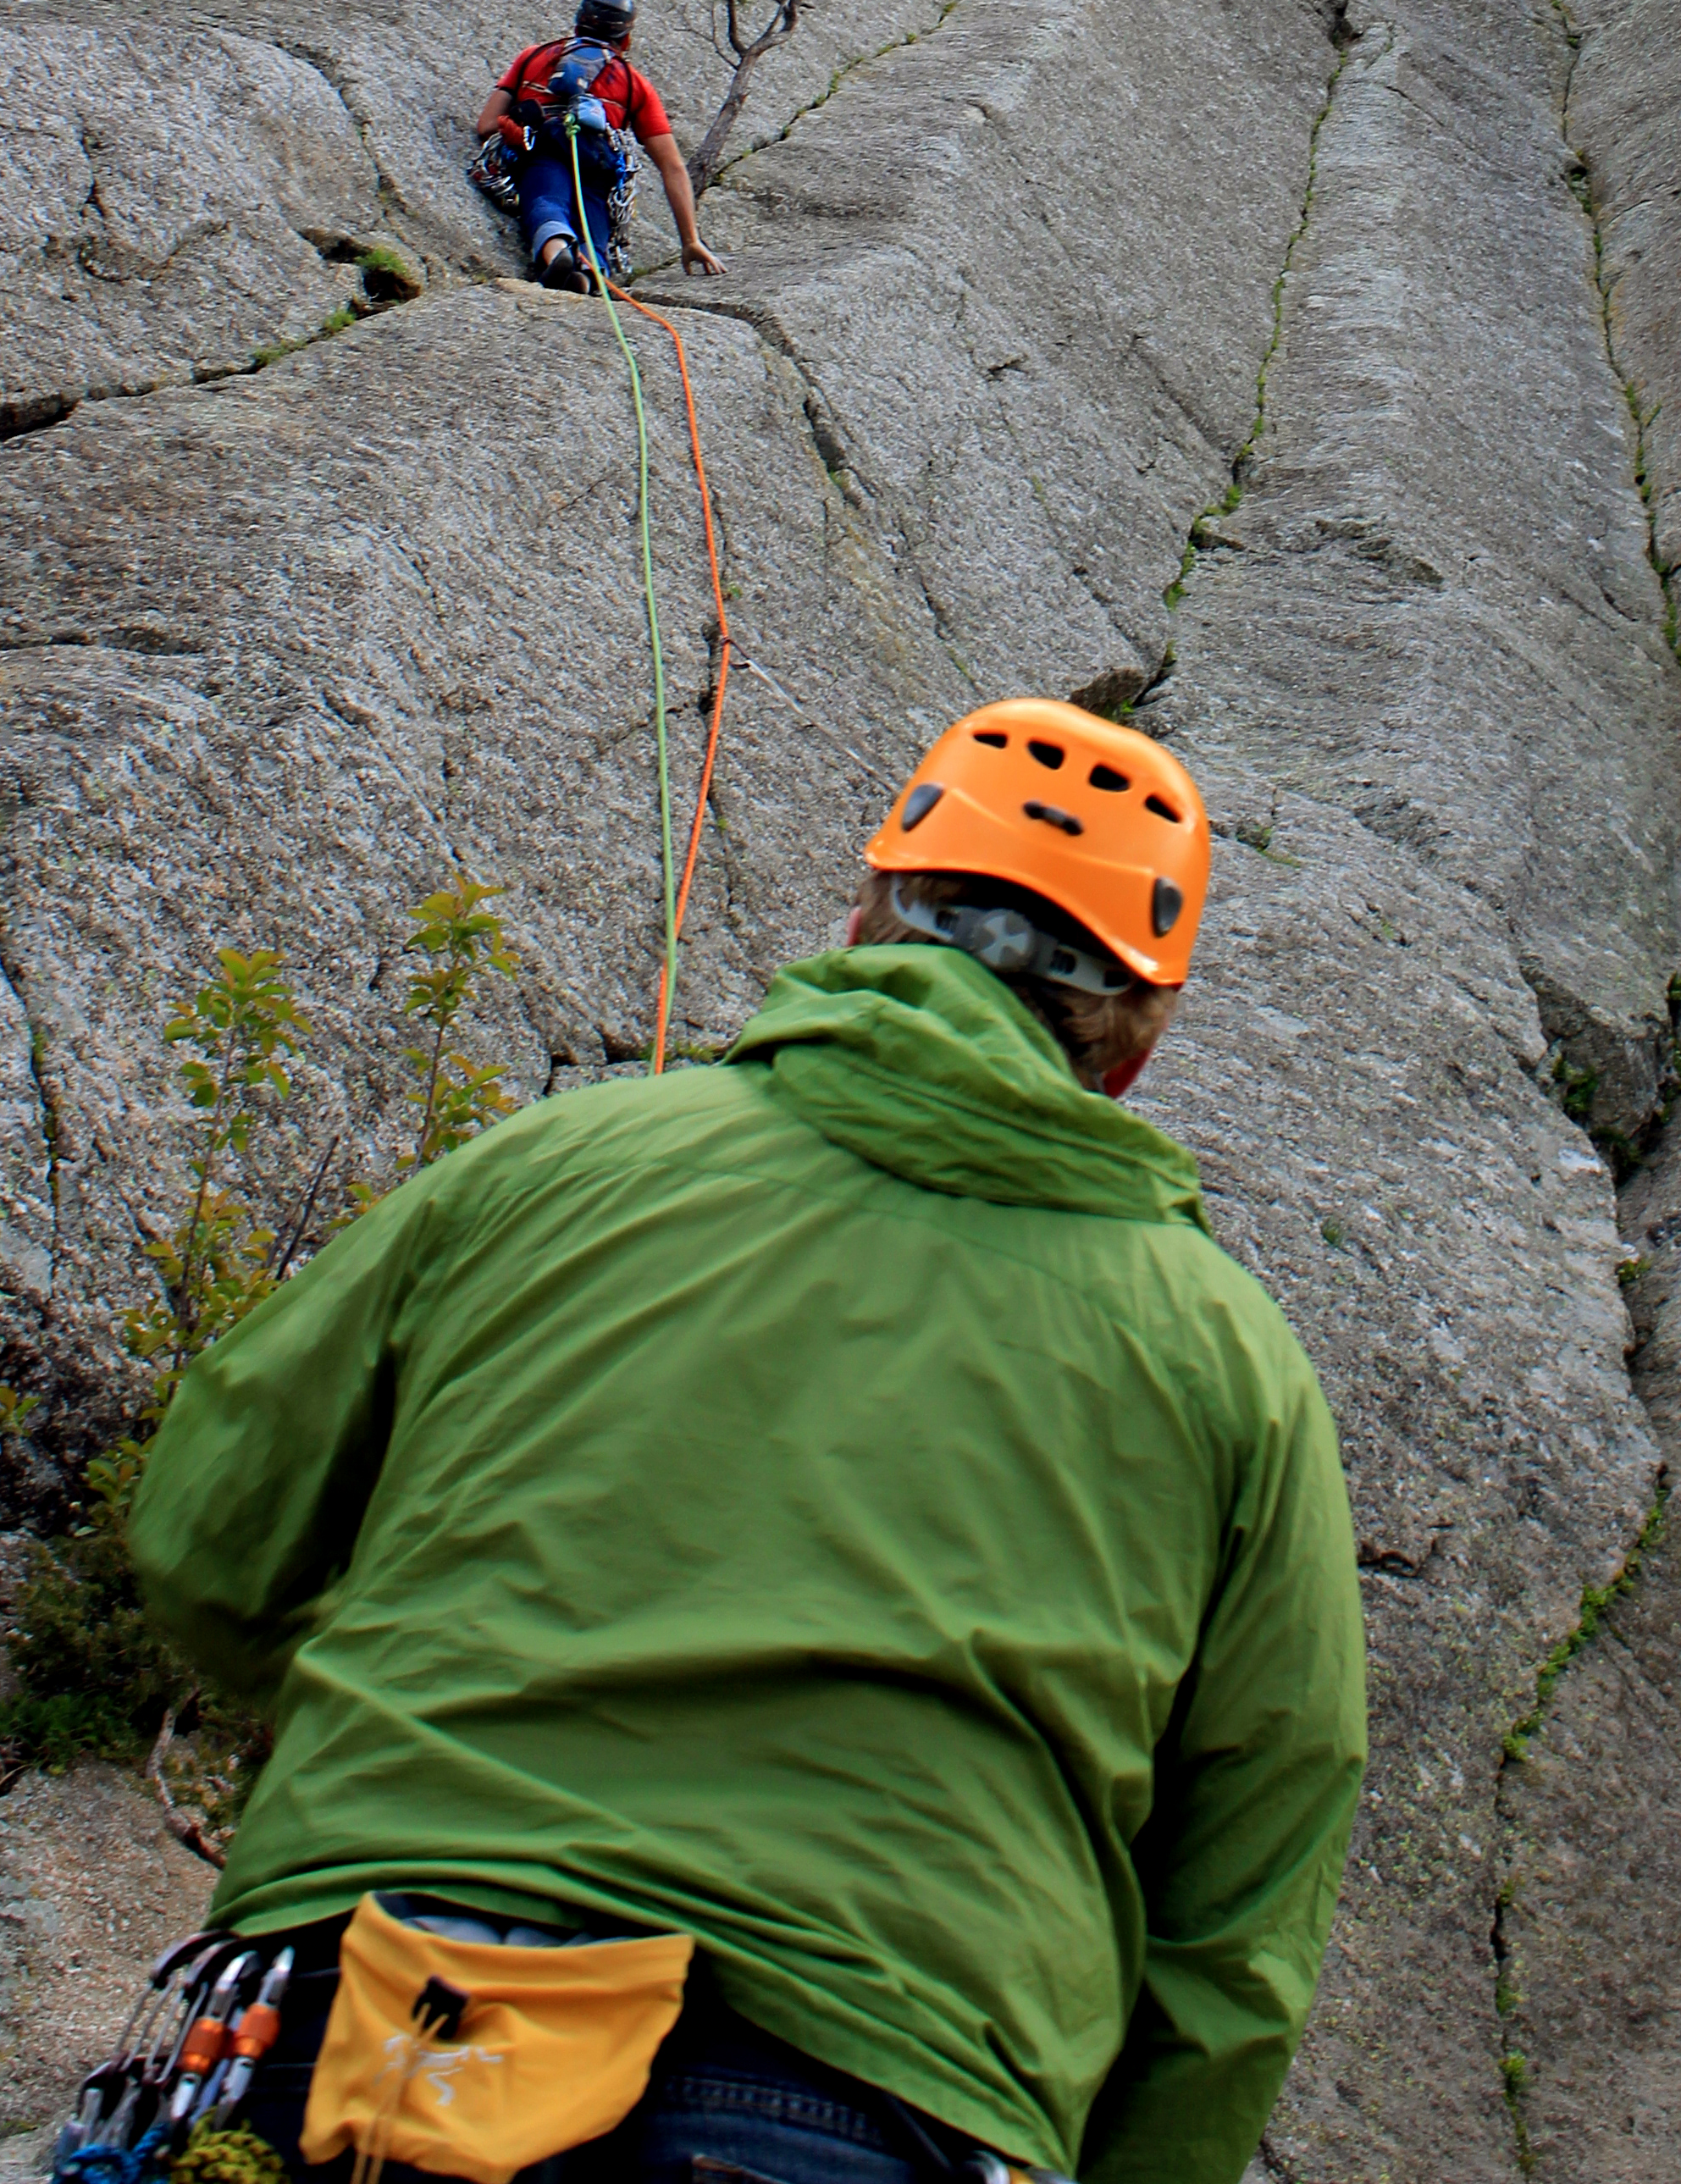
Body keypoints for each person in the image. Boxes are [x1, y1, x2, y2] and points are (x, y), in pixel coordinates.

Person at [125, 706, 1367, 2184]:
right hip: (879, 2089)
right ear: (1131, 1050)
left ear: (863, 916)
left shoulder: (552, 1161)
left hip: (371, 2007)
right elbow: (1239, 1917)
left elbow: (208, 1525)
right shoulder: (1231, 1359)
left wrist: (394, 1720)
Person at [475, 0, 716, 291]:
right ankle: (591, 273)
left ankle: (557, 255)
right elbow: (672, 166)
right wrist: (690, 239)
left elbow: (486, 125)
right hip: (599, 160)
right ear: (626, 39)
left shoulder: (534, 57)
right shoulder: (635, 84)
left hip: (542, 148)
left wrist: (512, 129)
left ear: (577, 24)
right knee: (594, 227)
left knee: (547, 200)